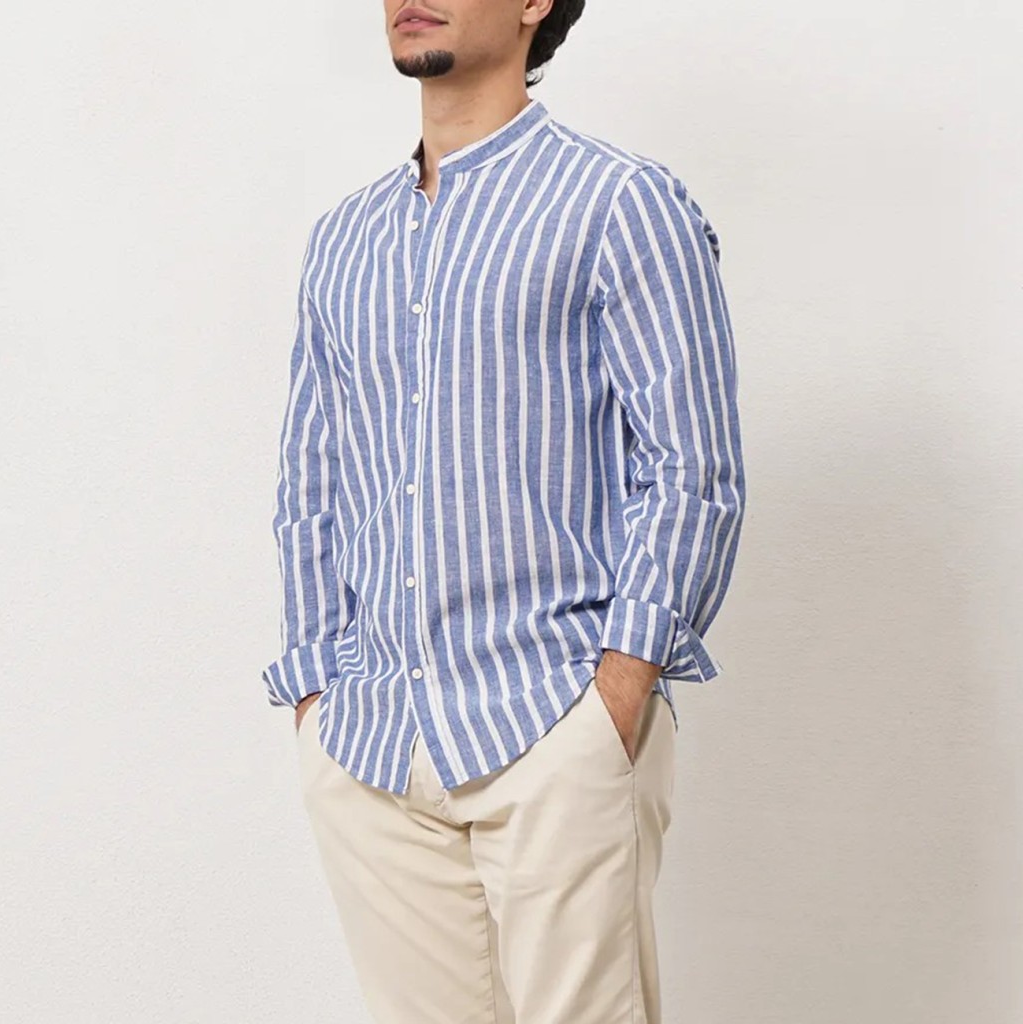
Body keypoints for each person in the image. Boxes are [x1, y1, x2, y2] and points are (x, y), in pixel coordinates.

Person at [261, 1, 746, 1020]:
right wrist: (316, 694)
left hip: (553, 723)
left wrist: (616, 695)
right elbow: (312, 480)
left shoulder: (619, 204)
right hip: (371, 746)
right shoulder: (343, 239)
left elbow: (691, 468)